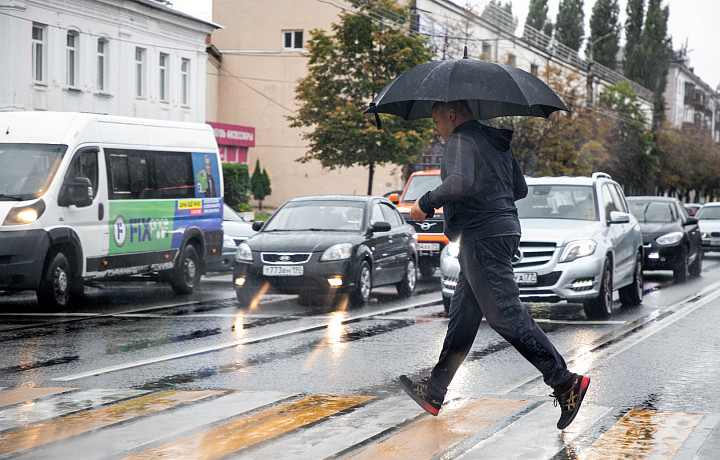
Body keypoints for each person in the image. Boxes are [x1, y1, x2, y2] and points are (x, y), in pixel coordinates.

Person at [399, 100, 590, 430]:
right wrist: (486, 195)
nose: (436, 129)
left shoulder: (461, 139)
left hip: (482, 238)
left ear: (452, 115)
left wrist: (426, 204)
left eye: (436, 121)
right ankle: (434, 390)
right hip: (498, 232)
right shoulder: (495, 141)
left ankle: (564, 382)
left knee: (506, 315)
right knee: (464, 318)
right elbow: (520, 188)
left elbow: (458, 182)